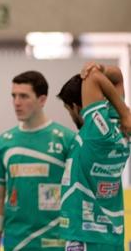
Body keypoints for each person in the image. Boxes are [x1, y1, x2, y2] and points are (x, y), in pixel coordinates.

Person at [0, 70, 76, 251]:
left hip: (57, 243)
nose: (17, 103)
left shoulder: (67, 140)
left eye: (24, 96)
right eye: (14, 96)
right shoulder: (4, 142)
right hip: (17, 243)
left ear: (42, 100)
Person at [57, 63, 131, 251]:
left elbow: (93, 78)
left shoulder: (94, 133)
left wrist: (94, 71)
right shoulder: (120, 128)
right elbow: (118, 77)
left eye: (68, 110)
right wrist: (123, 113)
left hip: (84, 237)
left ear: (76, 107)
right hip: (113, 238)